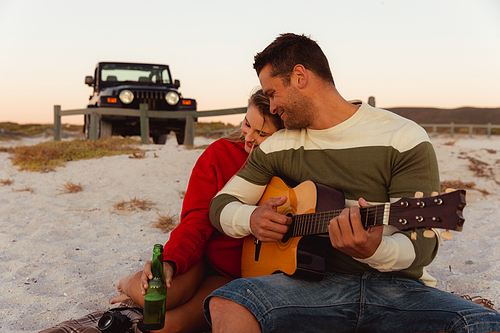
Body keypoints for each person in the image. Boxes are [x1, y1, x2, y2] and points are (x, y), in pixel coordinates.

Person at [205, 33, 500, 333]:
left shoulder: (403, 137)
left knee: (482, 323)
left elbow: (423, 243)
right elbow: (221, 205)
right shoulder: (277, 146)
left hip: (399, 290)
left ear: (299, 77)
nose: (271, 108)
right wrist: (251, 218)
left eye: (272, 93)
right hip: (308, 287)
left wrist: (374, 250)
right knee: (229, 302)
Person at [110, 89, 284, 333]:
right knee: (159, 295)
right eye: (247, 124)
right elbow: (195, 221)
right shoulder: (219, 154)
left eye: (262, 133)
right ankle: (128, 284)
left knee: (167, 326)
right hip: (201, 258)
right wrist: (170, 262)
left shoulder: (290, 167)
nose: (249, 137)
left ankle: (137, 292)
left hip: (233, 275)